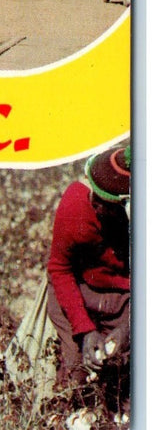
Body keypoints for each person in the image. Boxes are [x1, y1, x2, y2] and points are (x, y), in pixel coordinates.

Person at [46, 146, 130, 405]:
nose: (96, 205)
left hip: (125, 298)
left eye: (107, 203)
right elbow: (60, 269)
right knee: (76, 379)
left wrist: (130, 327)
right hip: (80, 290)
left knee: (123, 381)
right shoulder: (76, 204)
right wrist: (84, 330)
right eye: (96, 194)